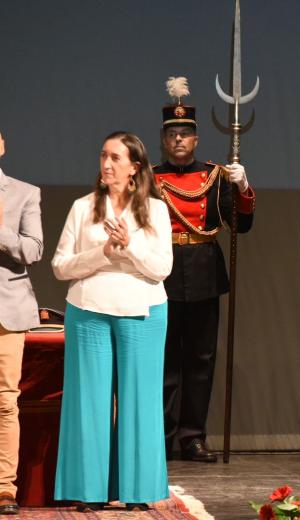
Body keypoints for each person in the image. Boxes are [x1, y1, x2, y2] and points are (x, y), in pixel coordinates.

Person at [52, 131, 172, 511]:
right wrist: (103, 251)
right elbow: (60, 266)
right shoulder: (82, 207)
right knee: (88, 402)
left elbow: (162, 268)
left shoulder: (155, 209)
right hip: (89, 310)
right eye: (103, 156)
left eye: (115, 158)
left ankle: (138, 491)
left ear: (135, 167)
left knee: (141, 402)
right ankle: (88, 490)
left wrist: (130, 246)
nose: (106, 164)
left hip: (144, 311)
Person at [154, 77, 255, 462]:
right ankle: (161, 435)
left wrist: (243, 188)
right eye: (172, 134)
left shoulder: (214, 177)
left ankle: (193, 436)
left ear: (196, 140)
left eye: (185, 134)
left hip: (203, 273)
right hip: (161, 273)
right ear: (164, 140)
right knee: (164, 361)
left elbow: (240, 226)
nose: (179, 140)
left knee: (200, 360)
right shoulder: (149, 177)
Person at [0, 130, 43, 515]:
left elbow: (33, 249)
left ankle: (4, 488)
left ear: (1, 146)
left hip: (6, 310)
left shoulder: (24, 192)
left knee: (4, 401)